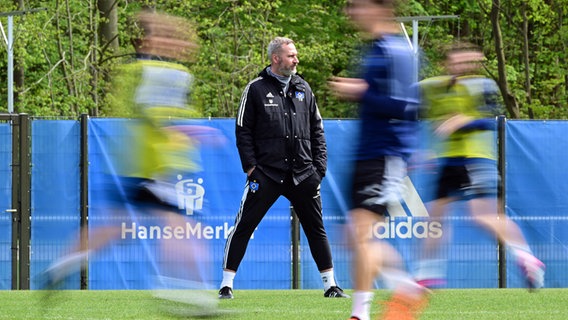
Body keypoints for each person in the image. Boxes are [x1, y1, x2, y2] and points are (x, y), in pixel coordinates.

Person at [40, 10, 220, 316]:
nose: (181, 44)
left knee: (116, 229)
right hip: (151, 170)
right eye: (168, 36)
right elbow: (152, 115)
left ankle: (59, 267)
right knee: (183, 228)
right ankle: (189, 297)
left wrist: (187, 133)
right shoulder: (151, 71)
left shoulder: (175, 74)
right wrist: (186, 131)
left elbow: (169, 116)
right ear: (151, 42)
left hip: (149, 169)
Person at [218, 36, 348, 299]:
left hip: (303, 174)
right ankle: (226, 285)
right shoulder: (254, 89)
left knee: (316, 228)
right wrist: (251, 168)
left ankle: (330, 286)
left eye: (296, 55)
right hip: (266, 173)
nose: (296, 60)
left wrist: (318, 170)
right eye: (291, 56)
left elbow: (317, 131)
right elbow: (243, 131)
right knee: (244, 225)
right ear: (276, 58)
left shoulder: (304, 88)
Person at [414, 42, 545, 290]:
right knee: (434, 216)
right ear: (447, 63)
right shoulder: (433, 87)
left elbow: (489, 121)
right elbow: (406, 100)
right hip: (448, 162)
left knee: (483, 215)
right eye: (457, 60)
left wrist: (461, 122)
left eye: (468, 61)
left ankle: (527, 258)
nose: (462, 65)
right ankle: (426, 274)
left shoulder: (481, 85)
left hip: (476, 159)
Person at [328, 0, 429, 319]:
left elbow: (409, 107)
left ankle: (362, 313)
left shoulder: (397, 50)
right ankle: (403, 290)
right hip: (366, 154)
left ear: (380, 7)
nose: (351, 11)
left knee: (360, 236)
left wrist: (362, 92)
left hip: (386, 155)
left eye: (358, 5)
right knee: (354, 239)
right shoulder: (371, 49)